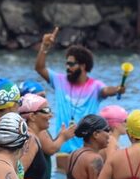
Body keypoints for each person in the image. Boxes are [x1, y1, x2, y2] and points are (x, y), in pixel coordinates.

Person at [35, 29, 123, 157]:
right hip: (63, 150)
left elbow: (107, 91)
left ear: (83, 66)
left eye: (71, 64)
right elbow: (40, 68)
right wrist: (45, 46)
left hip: (88, 150)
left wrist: (117, 89)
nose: (67, 67)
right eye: (66, 64)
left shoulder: (95, 86)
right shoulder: (60, 81)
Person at [17, 93, 68, 179]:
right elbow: (17, 173)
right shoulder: (31, 139)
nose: (51, 115)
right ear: (32, 116)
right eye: (46, 111)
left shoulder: (28, 136)